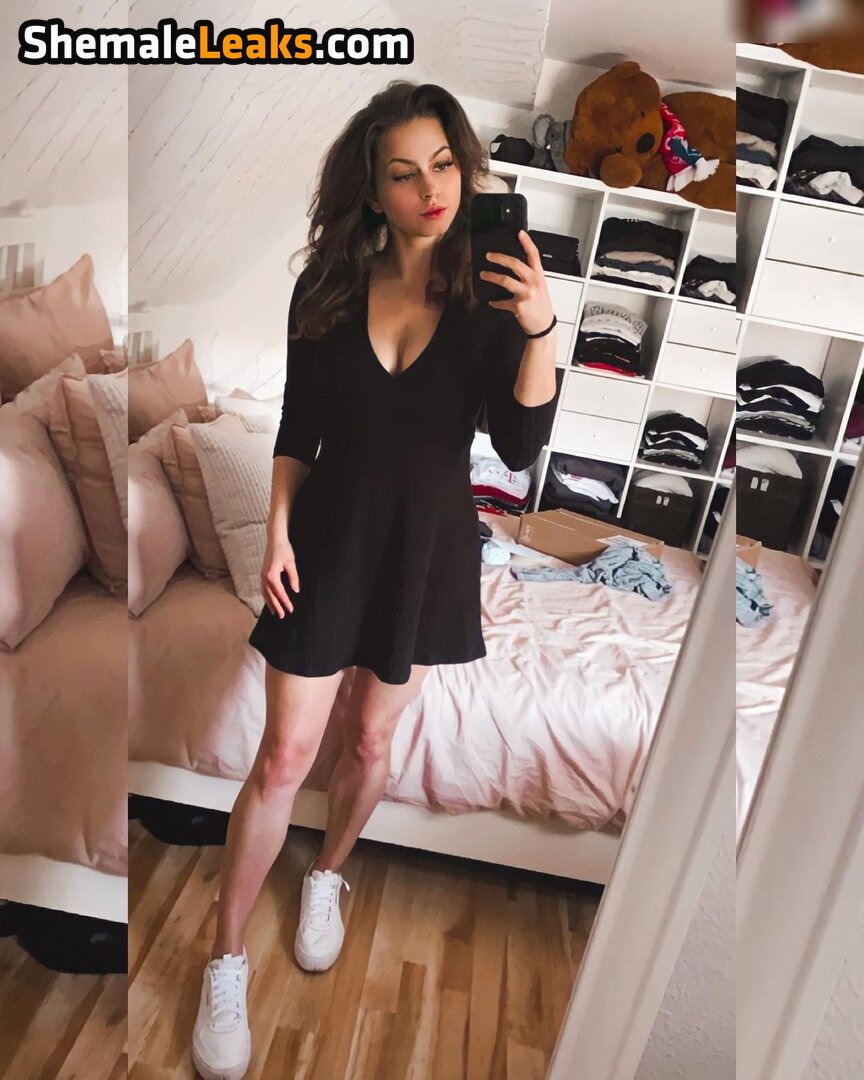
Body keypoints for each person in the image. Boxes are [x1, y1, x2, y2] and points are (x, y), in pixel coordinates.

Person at [192, 79, 558, 1080]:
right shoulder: (327, 287)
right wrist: (275, 531)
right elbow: (296, 430)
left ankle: (329, 875)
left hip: (427, 548)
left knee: (369, 738)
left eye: (443, 165)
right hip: (326, 540)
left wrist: (538, 330)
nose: (430, 188)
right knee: (283, 755)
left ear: (464, 170)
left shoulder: (492, 296)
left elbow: (519, 446)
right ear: (372, 189)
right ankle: (225, 957)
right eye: (404, 173)